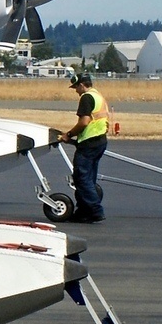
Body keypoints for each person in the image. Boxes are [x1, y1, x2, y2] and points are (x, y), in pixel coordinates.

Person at [61, 73, 110, 223]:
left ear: (82, 85)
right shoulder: (98, 96)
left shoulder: (86, 97)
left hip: (89, 143)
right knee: (89, 178)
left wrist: (68, 134)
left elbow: (84, 122)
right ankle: (83, 212)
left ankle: (95, 210)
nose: (76, 90)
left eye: (76, 87)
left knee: (82, 178)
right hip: (100, 141)